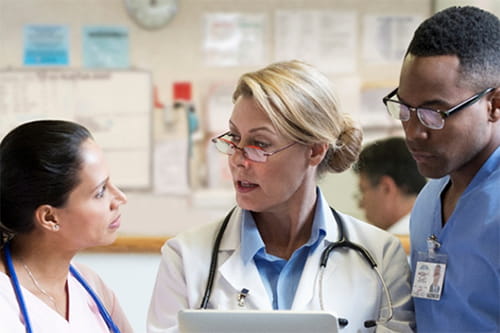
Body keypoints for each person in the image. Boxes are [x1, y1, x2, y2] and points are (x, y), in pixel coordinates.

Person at [148, 60, 414, 332]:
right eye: (234, 138)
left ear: (314, 151)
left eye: (259, 144)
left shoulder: (380, 256)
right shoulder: (185, 257)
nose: (238, 160)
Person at [382, 6, 500, 332]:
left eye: (436, 114)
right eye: (405, 109)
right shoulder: (430, 197)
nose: (414, 132)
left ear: (494, 105)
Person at [0, 120, 133, 333]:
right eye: (100, 192)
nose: (120, 198)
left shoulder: (90, 285)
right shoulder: (4, 300)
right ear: (50, 217)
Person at [353, 137, 426, 235]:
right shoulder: (432, 230)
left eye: (363, 191)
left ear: (386, 188)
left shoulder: (394, 245)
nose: (360, 205)